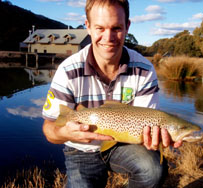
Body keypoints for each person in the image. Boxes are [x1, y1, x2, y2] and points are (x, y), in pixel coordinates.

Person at [42, 0, 182, 187]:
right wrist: (65, 132)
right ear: (88, 27)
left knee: (154, 169)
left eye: (116, 28)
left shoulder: (144, 69)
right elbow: (49, 131)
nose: (108, 37)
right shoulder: (68, 70)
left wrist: (153, 141)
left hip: (124, 146)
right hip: (80, 149)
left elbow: (147, 125)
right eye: (100, 28)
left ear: (127, 27)